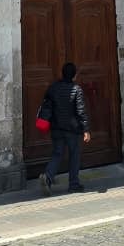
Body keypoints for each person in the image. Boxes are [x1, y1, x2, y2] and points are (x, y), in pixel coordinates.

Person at [38, 62, 92, 195]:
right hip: (72, 129)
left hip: (56, 127)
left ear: (62, 73)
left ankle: (48, 177)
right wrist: (85, 129)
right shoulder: (77, 89)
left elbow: (46, 105)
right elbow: (81, 111)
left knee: (57, 153)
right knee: (74, 155)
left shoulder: (53, 88)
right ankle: (74, 184)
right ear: (74, 75)